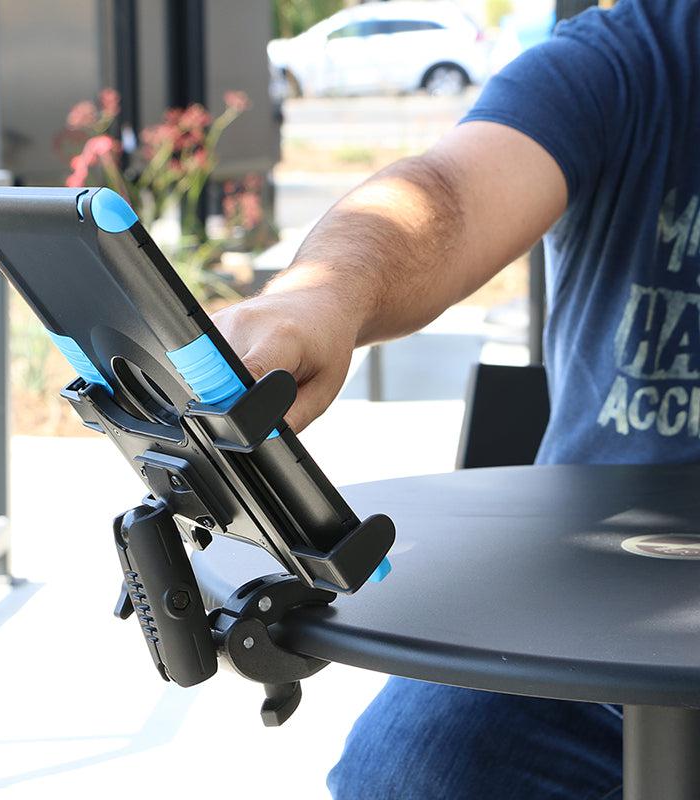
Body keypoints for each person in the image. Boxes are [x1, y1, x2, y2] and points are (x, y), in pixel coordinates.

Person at [214, 1, 699, 797]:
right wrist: (324, 296)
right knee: (406, 774)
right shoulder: (628, 57)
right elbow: (450, 192)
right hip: (586, 607)